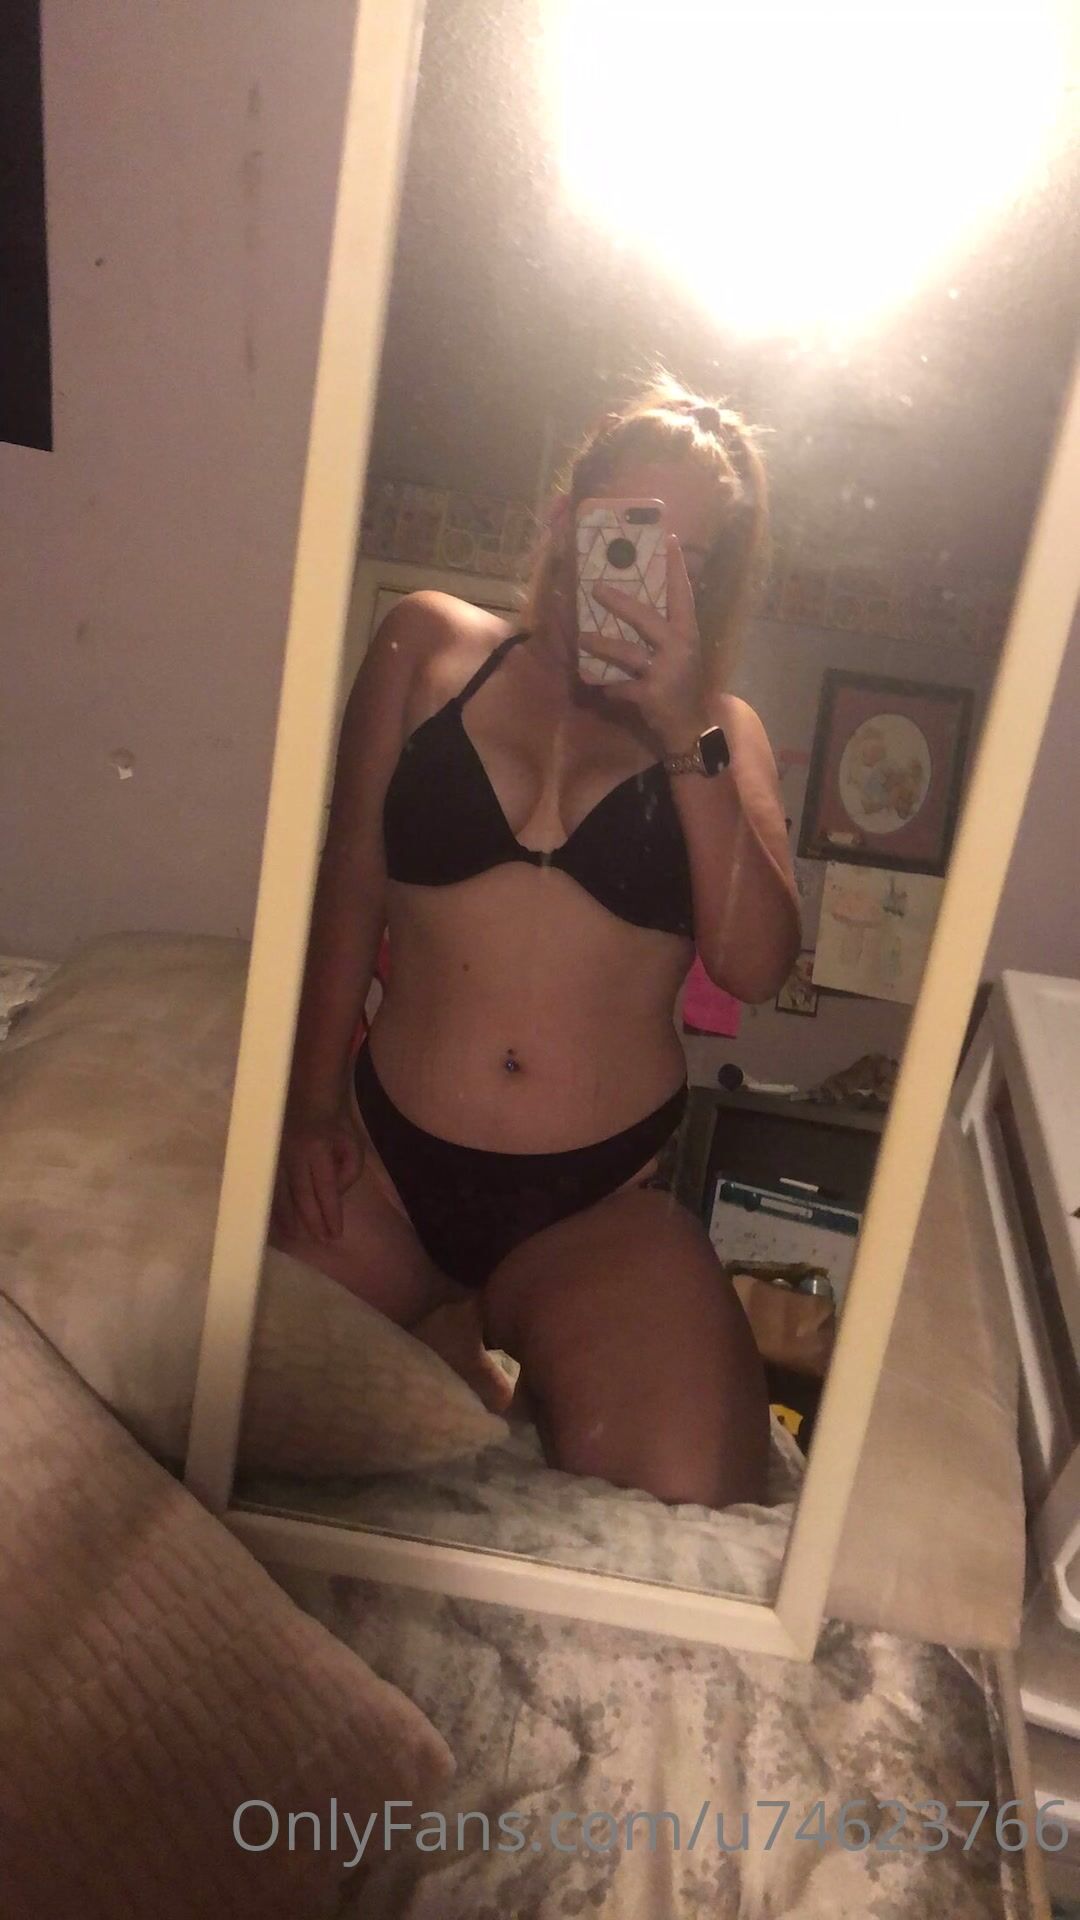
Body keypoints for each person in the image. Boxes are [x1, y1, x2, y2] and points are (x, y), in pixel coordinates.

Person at [271, 379, 801, 1508]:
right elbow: (350, 883)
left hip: (596, 1201)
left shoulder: (723, 734)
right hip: (386, 1173)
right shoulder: (426, 643)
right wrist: (310, 1105)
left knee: (689, 1492)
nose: (653, 575)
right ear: (566, 520)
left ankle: (483, 1334)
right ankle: (454, 1331)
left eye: (691, 562)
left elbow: (755, 965)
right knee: (230, 1416)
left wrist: (680, 725)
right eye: (632, 531)